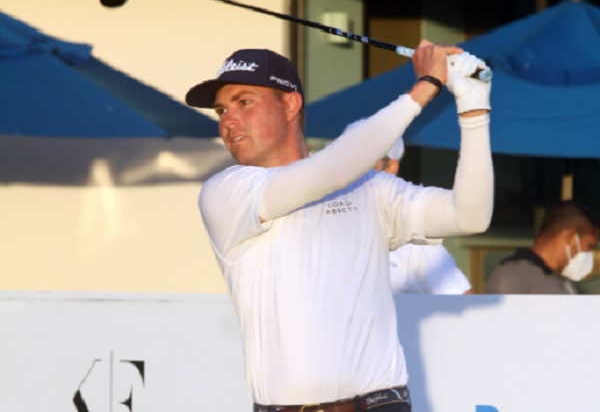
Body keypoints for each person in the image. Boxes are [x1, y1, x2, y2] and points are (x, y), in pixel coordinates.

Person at [184, 42, 493, 412]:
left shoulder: (368, 187)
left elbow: (470, 216)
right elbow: (332, 169)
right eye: (221, 110)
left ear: (291, 104)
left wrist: (474, 109)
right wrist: (425, 85)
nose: (227, 120)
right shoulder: (225, 192)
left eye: (244, 102)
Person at [373, 137, 473, 294]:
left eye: (365, 161)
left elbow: (465, 303)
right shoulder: (327, 220)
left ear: (391, 167)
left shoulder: (413, 237)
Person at [485, 199, 600, 294]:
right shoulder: (514, 276)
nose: (589, 254)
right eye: (589, 246)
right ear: (570, 236)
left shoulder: (563, 281)